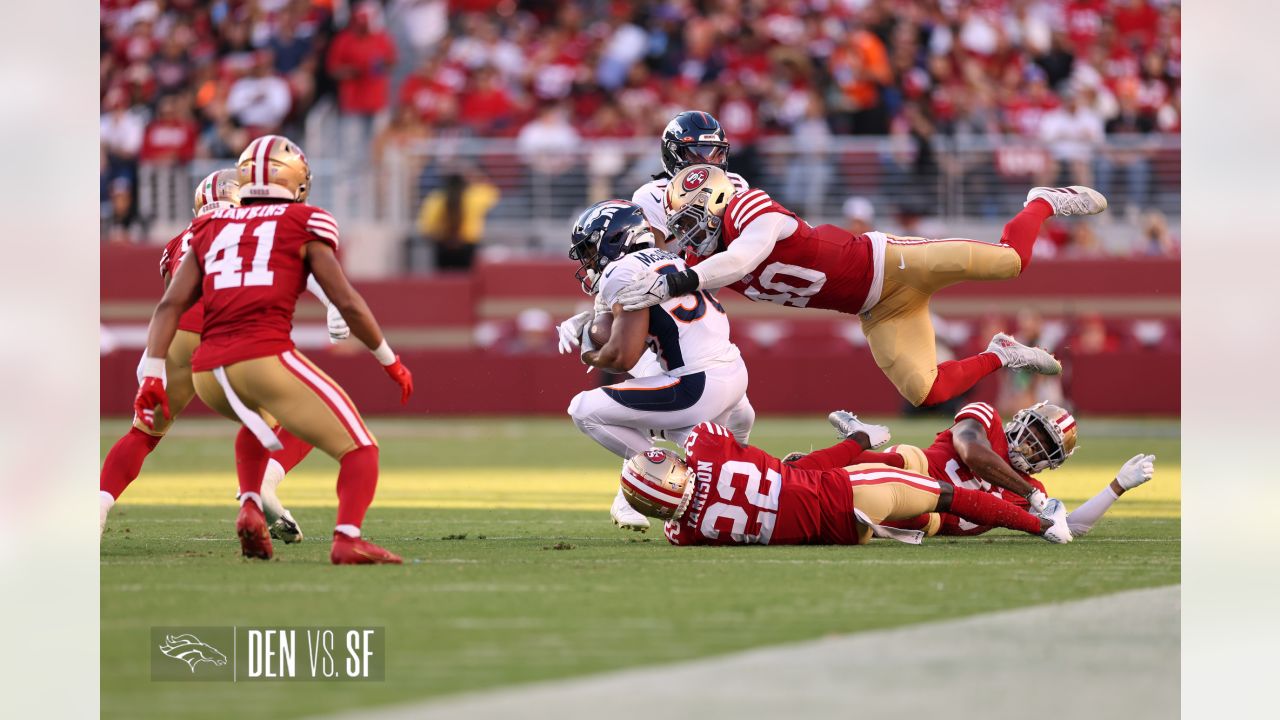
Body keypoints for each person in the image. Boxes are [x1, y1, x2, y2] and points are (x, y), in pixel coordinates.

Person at [132, 135, 414, 565]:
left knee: (262, 418)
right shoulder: (305, 219)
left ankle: (251, 501)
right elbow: (349, 302)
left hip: (207, 370)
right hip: (263, 354)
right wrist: (389, 360)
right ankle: (347, 538)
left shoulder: (210, 227)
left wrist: (152, 373)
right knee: (361, 449)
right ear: (297, 179)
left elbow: (170, 304)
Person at [617, 164, 1111, 407]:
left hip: (894, 264)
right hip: (877, 310)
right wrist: (605, 307)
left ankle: (1041, 201)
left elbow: (743, 257)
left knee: (1011, 262)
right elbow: (683, 292)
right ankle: (1003, 354)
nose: (687, 233)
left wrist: (681, 277)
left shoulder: (752, 209)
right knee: (927, 392)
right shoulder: (703, 255)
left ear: (720, 199)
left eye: (694, 218)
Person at [100, 168, 351, 541]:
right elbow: (300, 262)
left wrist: (153, 361)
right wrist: (333, 304)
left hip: (177, 337)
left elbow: (173, 301)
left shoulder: (178, 241)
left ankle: (98, 507)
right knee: (309, 413)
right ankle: (261, 488)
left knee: (143, 435)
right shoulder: (250, 224)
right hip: (232, 329)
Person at [564, 200, 754, 533]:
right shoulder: (672, 259)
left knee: (582, 408)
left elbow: (625, 357)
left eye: (591, 249)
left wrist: (589, 350)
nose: (589, 260)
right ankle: (734, 479)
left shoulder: (620, 270)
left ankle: (668, 475)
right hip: (733, 373)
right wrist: (599, 321)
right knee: (706, 443)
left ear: (614, 239)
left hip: (696, 386)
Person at [620, 420, 1072, 547]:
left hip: (844, 533)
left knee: (933, 514)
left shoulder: (684, 533)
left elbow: (676, 518)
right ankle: (1043, 526)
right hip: (852, 492)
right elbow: (814, 466)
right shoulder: (706, 445)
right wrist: (858, 440)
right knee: (952, 498)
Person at [813, 403, 1155, 539]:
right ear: (1021, 420)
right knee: (909, 464)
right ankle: (848, 447)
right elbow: (973, 454)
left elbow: (1070, 528)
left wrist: (1117, 486)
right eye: (1033, 433)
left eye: (1042, 446)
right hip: (911, 471)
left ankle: (828, 480)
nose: (1031, 445)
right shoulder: (987, 421)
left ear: (1050, 461)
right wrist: (1029, 494)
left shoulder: (1031, 489)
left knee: (904, 518)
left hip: (926, 519)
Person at [629, 111, 749, 248]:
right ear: (672, 154)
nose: (708, 163)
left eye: (717, 153)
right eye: (697, 154)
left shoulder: (734, 183)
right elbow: (657, 261)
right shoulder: (652, 195)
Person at [415, 171, 499, 271]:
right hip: (468, 246)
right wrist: (474, 174)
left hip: (442, 246)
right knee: (467, 281)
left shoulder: (436, 199)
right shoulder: (474, 197)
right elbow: (492, 191)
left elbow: (426, 227)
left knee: (446, 282)